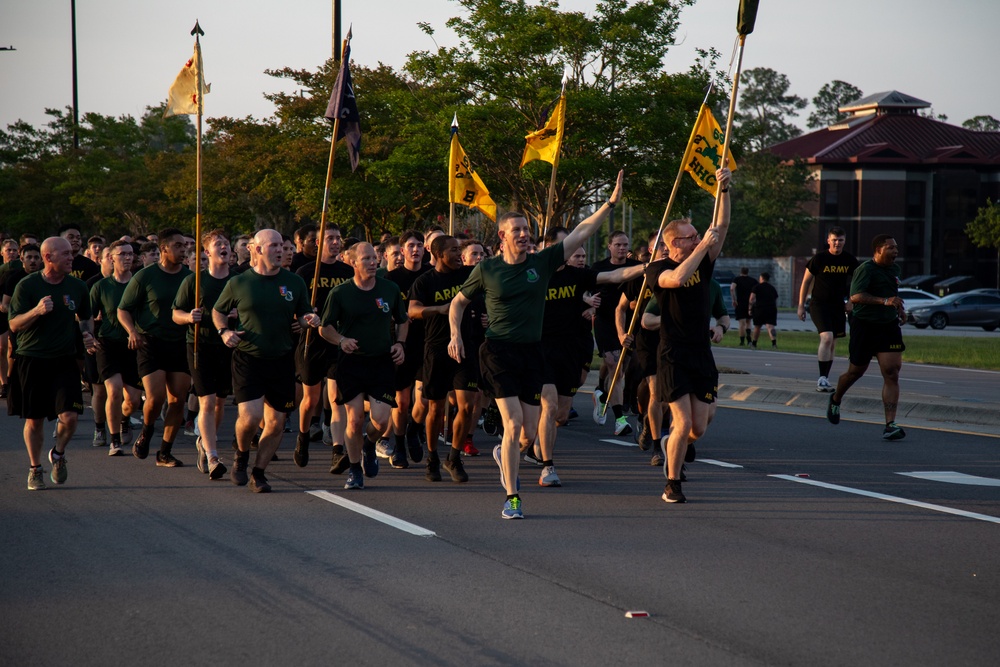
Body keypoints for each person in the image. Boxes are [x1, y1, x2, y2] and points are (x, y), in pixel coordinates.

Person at [448, 169, 624, 520]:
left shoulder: (542, 263)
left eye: (527, 230)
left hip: (532, 353)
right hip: (498, 352)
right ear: (502, 236)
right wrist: (455, 334)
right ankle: (512, 497)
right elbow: (458, 303)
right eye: (518, 231)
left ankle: (507, 452)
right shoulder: (488, 269)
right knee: (513, 424)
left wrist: (608, 204)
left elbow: (581, 232)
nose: (525, 235)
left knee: (527, 433)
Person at [646, 167, 732, 504]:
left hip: (701, 353)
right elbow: (678, 279)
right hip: (672, 355)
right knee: (681, 422)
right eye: (691, 236)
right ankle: (672, 484)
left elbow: (721, 226)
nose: (698, 239)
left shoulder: (703, 261)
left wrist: (724, 190)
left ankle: (674, 445)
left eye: (698, 235)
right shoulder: (658, 269)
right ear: (673, 244)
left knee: (699, 427)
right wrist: (702, 249)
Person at [213, 229, 321, 492]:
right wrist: (224, 331)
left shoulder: (293, 282)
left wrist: (309, 321)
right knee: (250, 418)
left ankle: (258, 473)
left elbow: (304, 313)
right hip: (248, 357)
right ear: (257, 249)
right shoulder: (239, 282)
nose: (280, 251)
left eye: (281, 247)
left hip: (282, 359)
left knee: (276, 424)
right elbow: (218, 310)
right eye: (273, 246)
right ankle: (241, 455)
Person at [538, 228, 644, 487]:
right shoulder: (534, 275)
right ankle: (547, 467)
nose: (574, 252)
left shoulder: (578, 275)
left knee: (561, 415)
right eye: (566, 246)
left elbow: (614, 275)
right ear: (550, 249)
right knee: (548, 406)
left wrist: (647, 267)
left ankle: (528, 444)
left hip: (570, 348)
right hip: (539, 350)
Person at [8, 237, 97, 490]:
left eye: (72, 253)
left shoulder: (78, 286)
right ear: (49, 258)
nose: (72, 257)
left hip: (64, 360)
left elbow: (85, 318)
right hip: (32, 359)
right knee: (34, 420)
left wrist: (88, 334)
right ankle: (35, 468)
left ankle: (58, 454)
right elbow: (14, 324)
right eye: (66, 254)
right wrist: (36, 311)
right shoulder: (27, 285)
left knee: (70, 417)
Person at [319, 242, 408, 490]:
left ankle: (369, 445)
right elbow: (324, 328)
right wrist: (342, 340)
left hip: (381, 361)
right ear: (353, 262)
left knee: (380, 420)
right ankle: (355, 470)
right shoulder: (340, 293)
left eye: (375, 258)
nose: (373, 262)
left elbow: (403, 320)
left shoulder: (389, 289)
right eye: (367, 258)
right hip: (351, 362)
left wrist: (400, 344)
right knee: (355, 419)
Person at [117, 228, 192, 468]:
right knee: (156, 397)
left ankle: (165, 452)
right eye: (178, 246)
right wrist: (132, 331)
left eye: (185, 246)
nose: (184, 250)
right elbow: (123, 309)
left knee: (178, 399)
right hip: (151, 341)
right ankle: (147, 432)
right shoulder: (145, 276)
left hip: (180, 342)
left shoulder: (190, 277)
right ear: (164, 249)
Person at [408, 235, 477, 483]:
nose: (459, 254)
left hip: (465, 347)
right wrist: (439, 309)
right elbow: (413, 310)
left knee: (467, 406)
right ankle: (433, 457)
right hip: (437, 349)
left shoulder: (469, 275)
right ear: (438, 255)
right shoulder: (425, 281)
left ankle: (454, 458)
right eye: (453, 250)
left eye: (460, 249)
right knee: (435, 408)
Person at [826, 235, 906, 441]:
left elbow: (892, 294)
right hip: (864, 325)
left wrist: (899, 308)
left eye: (896, 248)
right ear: (878, 250)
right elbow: (855, 296)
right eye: (890, 248)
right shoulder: (865, 270)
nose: (895, 251)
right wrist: (884, 301)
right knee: (856, 372)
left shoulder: (895, 270)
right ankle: (835, 399)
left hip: (888, 326)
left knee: (891, 372)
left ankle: (890, 424)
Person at [172, 229, 234, 479]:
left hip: (229, 346)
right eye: (218, 244)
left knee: (220, 403)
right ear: (207, 252)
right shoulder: (194, 281)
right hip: (200, 346)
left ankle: (204, 442)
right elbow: (175, 313)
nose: (224, 247)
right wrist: (189, 316)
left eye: (227, 243)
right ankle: (212, 455)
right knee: (207, 402)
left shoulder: (238, 280)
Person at [292, 224, 353, 469]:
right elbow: (296, 306)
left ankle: (338, 450)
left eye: (338, 238)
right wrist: (303, 318)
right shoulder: (305, 272)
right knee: (310, 398)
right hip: (311, 341)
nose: (336, 242)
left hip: (337, 340)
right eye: (330, 238)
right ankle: (303, 436)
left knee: (337, 398)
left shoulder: (348, 271)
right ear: (318, 243)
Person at [90, 240, 142, 456]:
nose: (127, 258)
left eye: (130, 254)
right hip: (108, 343)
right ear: (111, 258)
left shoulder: (139, 283)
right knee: (113, 390)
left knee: (133, 399)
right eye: (122, 254)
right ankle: (114, 441)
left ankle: (124, 419)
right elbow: (86, 316)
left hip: (135, 344)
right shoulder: (101, 287)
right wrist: (89, 334)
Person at [385, 230, 430, 465]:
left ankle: (415, 429)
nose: (416, 249)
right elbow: (383, 310)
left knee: (423, 400)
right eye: (411, 245)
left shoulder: (431, 275)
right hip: (400, 344)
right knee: (401, 402)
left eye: (419, 245)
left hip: (427, 343)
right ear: (402, 251)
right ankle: (399, 444)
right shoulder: (391, 279)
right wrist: (398, 318)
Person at [797, 227, 860, 391]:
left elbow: (858, 281)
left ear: (844, 241)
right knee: (826, 337)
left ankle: (825, 377)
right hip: (819, 304)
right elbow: (805, 282)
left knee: (832, 342)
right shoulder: (819, 258)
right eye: (834, 240)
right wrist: (800, 306)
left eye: (840, 240)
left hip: (838, 305)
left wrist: (851, 301)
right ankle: (821, 378)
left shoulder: (849, 260)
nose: (837, 243)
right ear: (828, 241)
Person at [591, 230, 640, 434]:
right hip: (604, 320)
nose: (622, 248)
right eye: (618, 244)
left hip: (628, 323)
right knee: (614, 365)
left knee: (621, 365)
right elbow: (585, 290)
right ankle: (620, 419)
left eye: (625, 244)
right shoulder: (599, 268)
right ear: (609, 246)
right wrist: (589, 303)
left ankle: (602, 391)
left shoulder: (635, 267)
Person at [749, 272, 779, 349]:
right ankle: (774, 343)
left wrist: (749, 308)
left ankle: (754, 343)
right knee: (770, 326)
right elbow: (775, 298)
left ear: (762, 278)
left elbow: (752, 299)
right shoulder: (772, 288)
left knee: (757, 326)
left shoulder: (757, 287)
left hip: (759, 309)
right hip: (771, 309)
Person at [730, 266, 757, 347]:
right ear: (747, 272)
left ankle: (742, 341)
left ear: (741, 272)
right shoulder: (753, 280)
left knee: (742, 323)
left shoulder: (737, 279)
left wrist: (734, 299)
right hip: (749, 303)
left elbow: (732, 288)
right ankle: (749, 339)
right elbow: (757, 290)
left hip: (740, 303)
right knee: (749, 322)